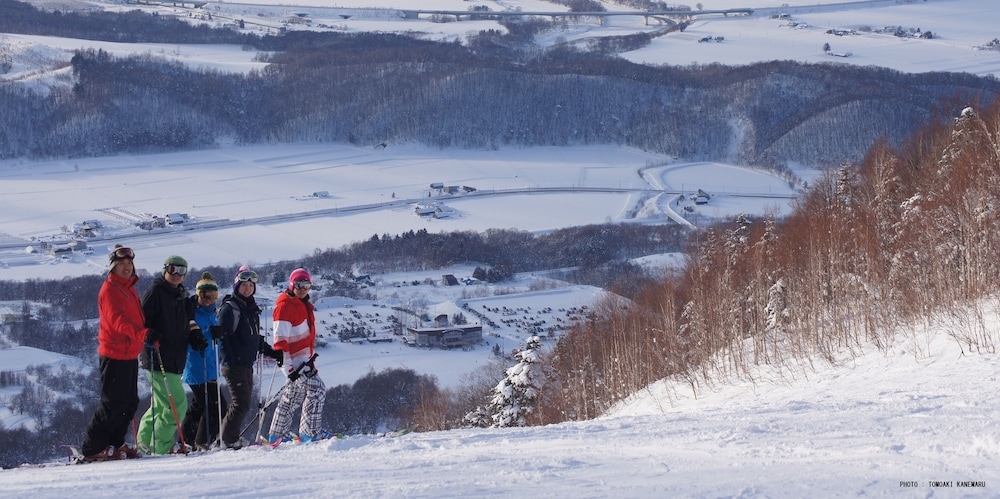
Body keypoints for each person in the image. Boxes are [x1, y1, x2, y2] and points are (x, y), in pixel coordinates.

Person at [79, 245, 146, 462]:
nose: (127, 268)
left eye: (129, 263)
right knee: (113, 403)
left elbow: (136, 317)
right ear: (113, 267)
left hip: (129, 353)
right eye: (122, 264)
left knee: (129, 402)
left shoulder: (129, 288)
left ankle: (116, 442)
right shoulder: (110, 290)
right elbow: (119, 321)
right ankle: (92, 448)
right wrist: (143, 334)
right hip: (114, 354)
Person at [137, 255, 207, 455]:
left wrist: (196, 335)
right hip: (157, 355)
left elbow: (190, 320)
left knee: (161, 404)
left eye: (182, 271)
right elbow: (141, 319)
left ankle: (145, 442)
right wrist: (149, 333)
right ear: (165, 270)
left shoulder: (182, 295)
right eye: (173, 270)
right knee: (177, 403)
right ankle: (162, 445)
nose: (176, 275)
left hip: (175, 357)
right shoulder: (156, 292)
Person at [217, 265, 282, 449]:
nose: (247, 289)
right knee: (241, 403)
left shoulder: (251, 309)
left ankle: (228, 437)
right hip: (234, 364)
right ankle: (228, 440)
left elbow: (254, 339)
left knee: (243, 403)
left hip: (246, 364)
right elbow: (223, 336)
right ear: (237, 286)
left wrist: (271, 352)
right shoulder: (231, 308)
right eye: (244, 285)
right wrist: (228, 360)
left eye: (251, 286)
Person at [268, 268, 327, 443]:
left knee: (293, 397)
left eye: (306, 285)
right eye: (299, 284)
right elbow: (280, 341)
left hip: (303, 360)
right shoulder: (285, 306)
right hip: (295, 363)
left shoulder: (303, 304)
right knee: (317, 390)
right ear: (292, 284)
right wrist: (288, 369)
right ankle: (310, 432)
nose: (302, 288)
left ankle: (277, 435)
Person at [180, 272, 228, 450]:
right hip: (198, 368)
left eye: (213, 296)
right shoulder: (194, 315)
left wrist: (218, 336)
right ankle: (202, 441)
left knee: (199, 407)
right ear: (198, 295)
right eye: (205, 296)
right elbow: (191, 341)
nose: (209, 300)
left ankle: (186, 441)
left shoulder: (211, 314)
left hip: (210, 367)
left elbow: (214, 343)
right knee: (217, 407)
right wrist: (205, 336)